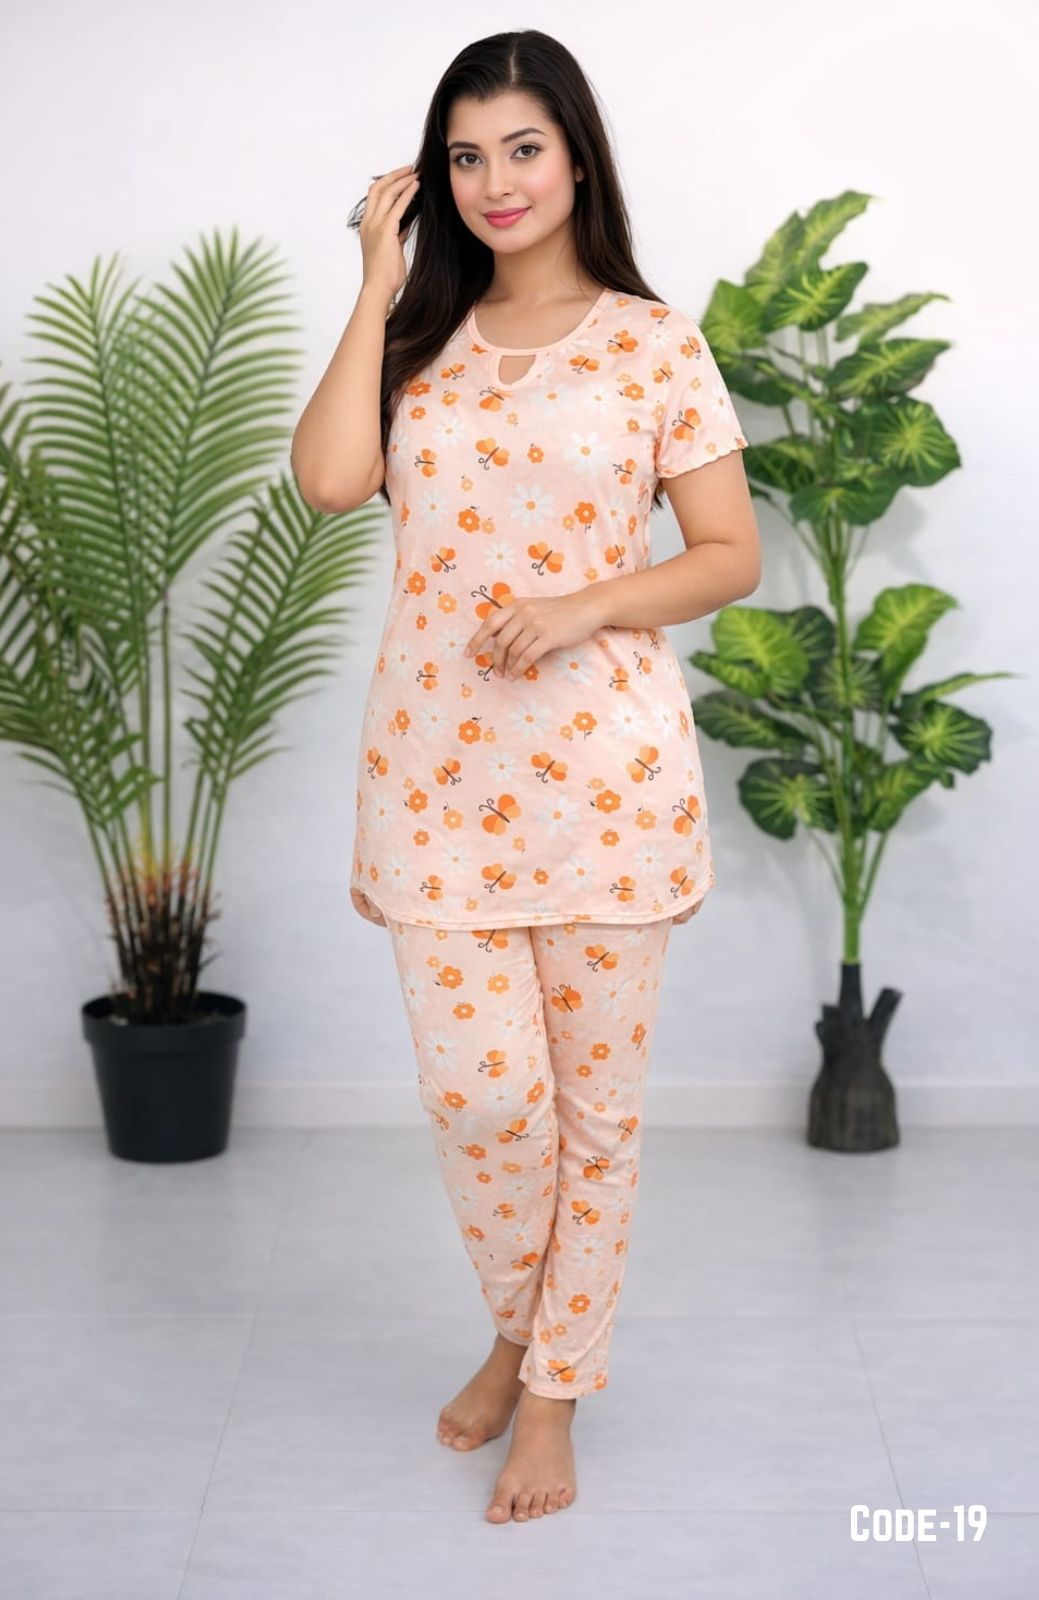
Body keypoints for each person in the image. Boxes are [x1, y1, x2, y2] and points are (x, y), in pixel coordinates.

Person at [291, 28, 761, 1527]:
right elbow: (330, 481)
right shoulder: (416, 342)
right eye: (466, 155)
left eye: (523, 148)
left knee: (594, 1117)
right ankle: (518, 1325)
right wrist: (376, 282)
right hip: (434, 784)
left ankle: (547, 1385)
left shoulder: (655, 342)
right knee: (483, 1097)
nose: (496, 181)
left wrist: (584, 604)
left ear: (577, 160)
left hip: (609, 786)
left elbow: (729, 557)